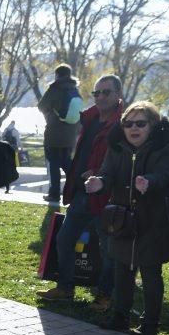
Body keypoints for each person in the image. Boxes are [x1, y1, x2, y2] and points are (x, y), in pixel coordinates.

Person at [85, 101, 169, 335]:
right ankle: (120, 318)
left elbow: (165, 174)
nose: (133, 128)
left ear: (153, 125)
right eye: (128, 123)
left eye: (140, 123)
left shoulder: (164, 147)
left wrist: (149, 181)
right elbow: (107, 174)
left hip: (153, 221)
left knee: (150, 273)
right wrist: (99, 183)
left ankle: (150, 325)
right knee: (122, 270)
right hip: (121, 220)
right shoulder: (116, 146)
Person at [37, 75, 124, 311]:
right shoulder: (90, 117)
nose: (101, 97)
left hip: (107, 197)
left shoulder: (123, 123)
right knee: (64, 239)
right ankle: (65, 288)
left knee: (108, 248)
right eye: (97, 93)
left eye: (106, 92)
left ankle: (105, 295)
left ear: (118, 94)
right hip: (81, 193)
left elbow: (124, 161)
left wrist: (98, 174)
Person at [38, 64, 82, 202]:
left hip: (54, 134)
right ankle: (77, 189)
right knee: (67, 163)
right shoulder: (75, 90)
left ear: (57, 75)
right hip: (70, 135)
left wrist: (50, 115)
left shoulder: (55, 88)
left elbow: (41, 106)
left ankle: (54, 194)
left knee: (54, 165)